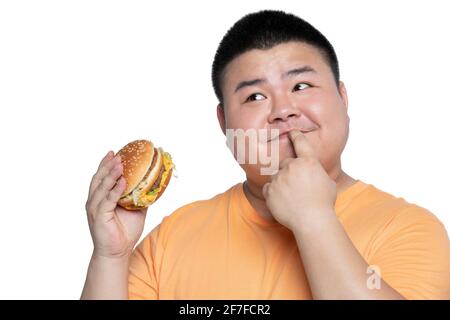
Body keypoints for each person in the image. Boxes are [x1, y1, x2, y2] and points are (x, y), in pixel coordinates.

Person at [81, 10, 450, 300]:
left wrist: (313, 218)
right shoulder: (172, 238)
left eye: (301, 85)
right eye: (255, 96)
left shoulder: (408, 228)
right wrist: (110, 258)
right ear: (224, 122)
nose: (283, 110)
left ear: (343, 98)